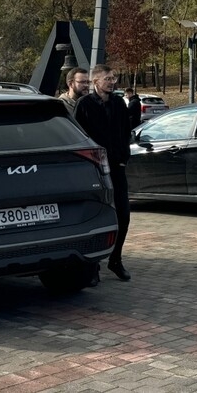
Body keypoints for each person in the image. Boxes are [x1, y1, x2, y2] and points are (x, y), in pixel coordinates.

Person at [75, 64, 133, 281]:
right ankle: (92, 267)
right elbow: (79, 136)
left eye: (113, 78)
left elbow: (126, 132)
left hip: (117, 167)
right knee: (96, 217)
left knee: (123, 215)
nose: (112, 81)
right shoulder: (84, 105)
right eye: (108, 78)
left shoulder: (118, 103)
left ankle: (115, 260)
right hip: (94, 170)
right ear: (96, 81)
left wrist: (123, 157)